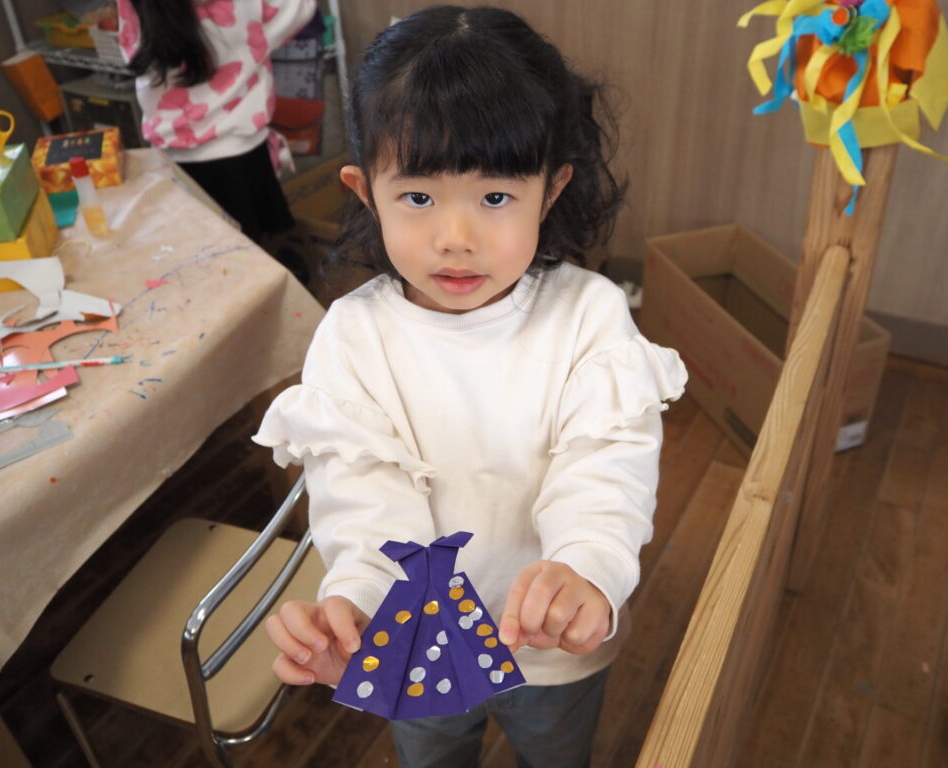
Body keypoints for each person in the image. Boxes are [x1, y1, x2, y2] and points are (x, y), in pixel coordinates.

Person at [255, 6, 688, 767]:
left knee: (557, 756)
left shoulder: (588, 317)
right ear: (366, 192)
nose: (455, 238)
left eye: (494, 198)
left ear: (551, 191)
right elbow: (362, 497)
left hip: (552, 646)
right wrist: (356, 604)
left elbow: (606, 466)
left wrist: (588, 565)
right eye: (419, 198)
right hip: (419, 646)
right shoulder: (354, 338)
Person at [116, 0, 315, 278]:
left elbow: (132, 49)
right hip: (239, 151)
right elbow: (296, 11)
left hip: (171, 156)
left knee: (200, 264)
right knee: (256, 261)